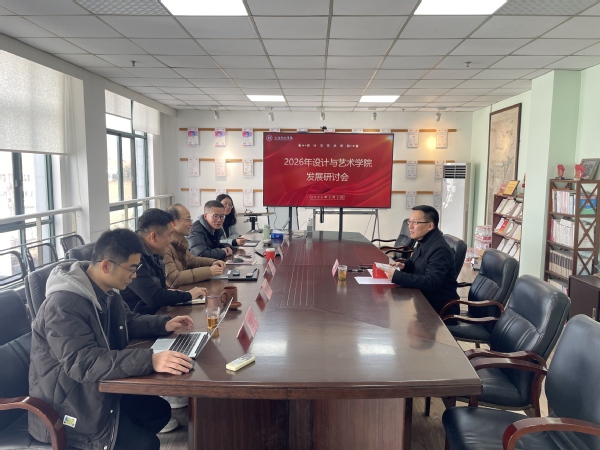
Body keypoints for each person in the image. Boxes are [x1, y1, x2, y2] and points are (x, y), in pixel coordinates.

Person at [28, 228, 195, 450]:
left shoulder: (106, 290)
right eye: (132, 268)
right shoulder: (63, 306)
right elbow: (84, 363)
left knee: (158, 412)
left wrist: (163, 324)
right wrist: (150, 360)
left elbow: (128, 320)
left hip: (94, 390)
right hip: (67, 408)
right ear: (106, 265)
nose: (134, 275)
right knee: (146, 444)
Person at [121, 208, 206, 315]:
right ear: (153, 236)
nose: (171, 240)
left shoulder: (153, 252)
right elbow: (153, 297)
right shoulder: (133, 257)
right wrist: (188, 295)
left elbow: (158, 288)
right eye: (169, 235)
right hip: (142, 319)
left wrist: (172, 293)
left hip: (156, 314)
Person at [382, 205, 459, 315]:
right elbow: (414, 261)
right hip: (422, 300)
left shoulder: (440, 249)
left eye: (415, 222)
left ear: (430, 226)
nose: (410, 226)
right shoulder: (424, 240)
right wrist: (404, 265)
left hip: (438, 310)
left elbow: (431, 282)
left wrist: (397, 276)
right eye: (409, 222)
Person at [165, 203, 226, 288]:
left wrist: (213, 262)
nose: (191, 224)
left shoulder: (180, 241)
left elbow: (190, 260)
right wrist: (209, 271)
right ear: (173, 223)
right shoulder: (165, 246)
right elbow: (173, 279)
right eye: (187, 220)